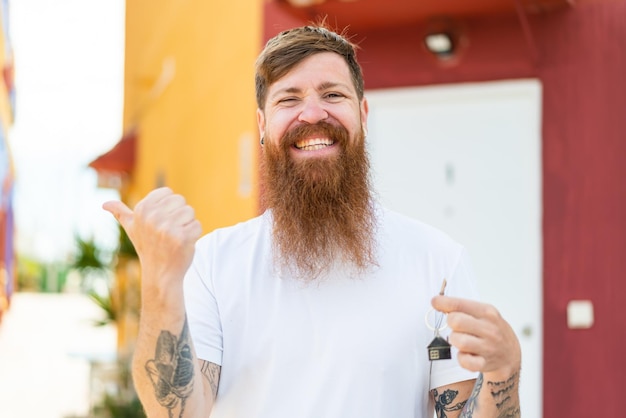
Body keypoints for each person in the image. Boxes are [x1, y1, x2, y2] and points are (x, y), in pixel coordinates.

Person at [104, 24, 522, 418]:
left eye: (332, 95)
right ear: (263, 126)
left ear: (362, 112)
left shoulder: (438, 261)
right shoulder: (214, 262)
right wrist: (160, 278)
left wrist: (505, 371)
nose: (312, 113)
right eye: (289, 99)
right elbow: (175, 412)